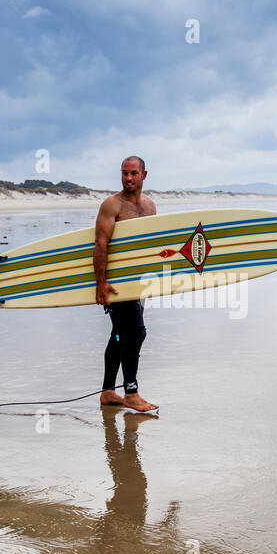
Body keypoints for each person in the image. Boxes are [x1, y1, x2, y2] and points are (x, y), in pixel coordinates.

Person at [95, 156, 158, 413]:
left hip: (137, 283)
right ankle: (131, 393)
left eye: (133, 173)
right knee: (136, 333)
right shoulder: (112, 205)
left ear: (144, 175)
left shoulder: (151, 207)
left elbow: (150, 246)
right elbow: (101, 244)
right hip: (116, 284)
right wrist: (101, 283)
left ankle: (108, 391)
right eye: (124, 173)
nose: (128, 178)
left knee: (119, 335)